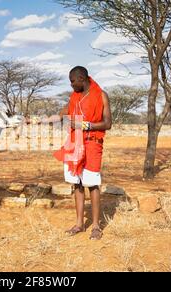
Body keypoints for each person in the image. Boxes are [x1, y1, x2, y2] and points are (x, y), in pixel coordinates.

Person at [46, 66, 112, 240]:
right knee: (77, 183)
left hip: (92, 143)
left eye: (72, 82)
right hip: (74, 143)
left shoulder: (101, 95)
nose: (71, 86)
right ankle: (79, 224)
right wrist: (38, 121)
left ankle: (96, 226)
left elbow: (107, 123)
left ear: (81, 78)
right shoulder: (74, 97)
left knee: (93, 184)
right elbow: (61, 115)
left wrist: (84, 125)